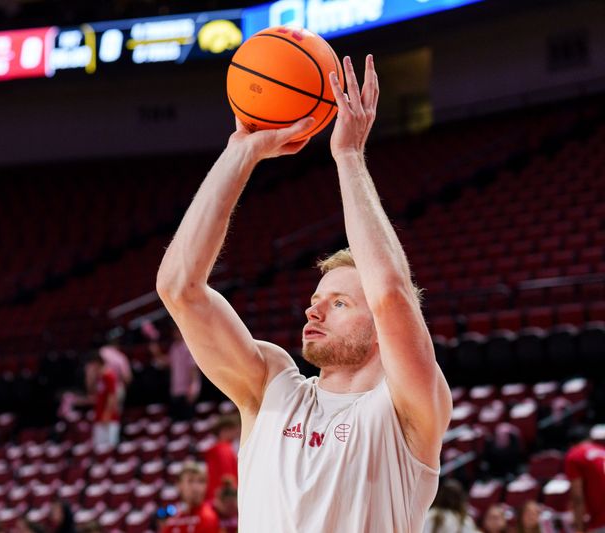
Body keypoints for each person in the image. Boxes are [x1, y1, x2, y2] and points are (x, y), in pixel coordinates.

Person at [156, 54, 452, 531]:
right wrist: (241, 151)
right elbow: (179, 288)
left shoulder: (409, 407)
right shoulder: (271, 385)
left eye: (339, 303)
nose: (314, 313)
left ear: (381, 330)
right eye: (315, 302)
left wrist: (350, 156)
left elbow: (392, 294)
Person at [150, 323, 202, 420]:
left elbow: (193, 369)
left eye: (177, 331)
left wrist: (194, 387)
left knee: (188, 421)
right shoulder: (174, 347)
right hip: (176, 391)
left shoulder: (188, 347)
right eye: (175, 331)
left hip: (187, 391)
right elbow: (166, 362)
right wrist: (156, 352)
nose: (175, 333)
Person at [159, 462, 220, 533]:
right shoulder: (172, 521)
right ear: (179, 485)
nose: (196, 488)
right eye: (190, 481)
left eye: (201, 481)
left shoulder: (210, 517)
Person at [565, 427, 605, 533]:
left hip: (601, 520)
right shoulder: (602, 450)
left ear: (571, 444)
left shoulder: (574, 455)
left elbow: (577, 497)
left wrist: (579, 528)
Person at [85, 352, 121, 447]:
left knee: (109, 446)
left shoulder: (109, 376)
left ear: (97, 363)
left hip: (108, 417)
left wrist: (107, 414)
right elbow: (92, 392)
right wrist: (89, 377)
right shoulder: (99, 377)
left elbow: (112, 396)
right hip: (99, 415)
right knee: (98, 447)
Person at [203, 415, 240, 502]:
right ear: (224, 430)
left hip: (214, 498)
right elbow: (228, 478)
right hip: (225, 500)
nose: (237, 432)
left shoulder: (217, 449)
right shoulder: (224, 449)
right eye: (233, 429)